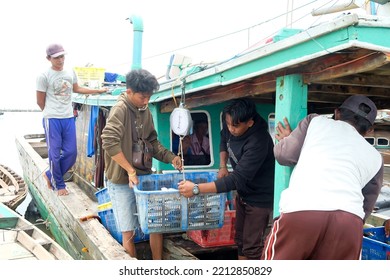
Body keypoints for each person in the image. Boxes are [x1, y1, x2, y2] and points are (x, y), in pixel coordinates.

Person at [262, 95, 384, 260]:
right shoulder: (376, 158)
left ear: (337, 113)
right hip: (349, 221)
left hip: (303, 210)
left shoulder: (315, 122)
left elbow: (284, 156)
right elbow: (367, 204)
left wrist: (285, 140)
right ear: (369, 130)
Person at [178, 97, 275, 260]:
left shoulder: (259, 141)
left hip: (259, 198)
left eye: (235, 126)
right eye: (228, 123)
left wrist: (196, 189)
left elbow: (236, 180)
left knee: (252, 246)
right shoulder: (231, 124)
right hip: (244, 195)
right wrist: (223, 165)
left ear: (250, 122)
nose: (230, 128)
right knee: (240, 241)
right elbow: (224, 139)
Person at [101, 69, 182, 260]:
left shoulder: (145, 111)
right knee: (128, 230)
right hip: (121, 180)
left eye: (149, 97)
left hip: (144, 177)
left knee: (155, 224)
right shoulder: (120, 109)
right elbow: (108, 141)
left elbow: (152, 142)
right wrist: (129, 171)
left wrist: (171, 158)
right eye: (142, 97)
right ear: (129, 91)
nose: (146, 101)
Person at [36, 43, 107, 196]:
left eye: (62, 56)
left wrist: (98, 90)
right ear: (49, 58)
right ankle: (59, 185)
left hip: (68, 118)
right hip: (52, 119)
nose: (60, 60)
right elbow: (40, 101)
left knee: (71, 153)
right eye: (56, 58)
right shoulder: (43, 76)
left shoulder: (70, 72)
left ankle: (50, 175)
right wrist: (51, 112)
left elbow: (77, 89)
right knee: (54, 154)